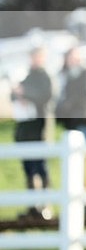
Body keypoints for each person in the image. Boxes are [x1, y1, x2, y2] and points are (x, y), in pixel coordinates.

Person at [11, 46, 54, 220]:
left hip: (39, 129)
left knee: (40, 168)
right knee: (28, 170)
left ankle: (45, 206)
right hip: (25, 131)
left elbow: (45, 97)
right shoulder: (28, 76)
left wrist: (25, 94)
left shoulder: (44, 77)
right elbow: (15, 96)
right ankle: (32, 207)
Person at [55, 46, 86, 140]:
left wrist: (65, 105)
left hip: (83, 120)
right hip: (69, 122)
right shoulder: (64, 74)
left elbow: (84, 95)